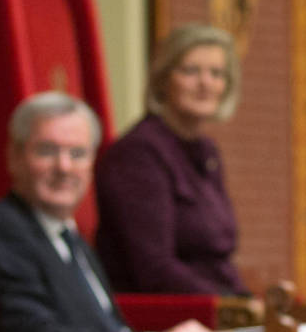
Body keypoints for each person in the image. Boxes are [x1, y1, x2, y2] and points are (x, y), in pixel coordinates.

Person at [0, 92, 210, 332]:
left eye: (77, 154)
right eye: (46, 151)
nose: (64, 167)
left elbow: (109, 331)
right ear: (14, 157)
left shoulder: (71, 238)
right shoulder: (0, 235)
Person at [93, 23, 248, 296]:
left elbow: (218, 260)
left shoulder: (206, 150)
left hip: (214, 309)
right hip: (165, 316)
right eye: (190, 71)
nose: (205, 83)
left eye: (216, 73)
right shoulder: (138, 153)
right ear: (163, 79)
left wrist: (249, 304)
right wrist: (231, 308)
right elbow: (155, 269)